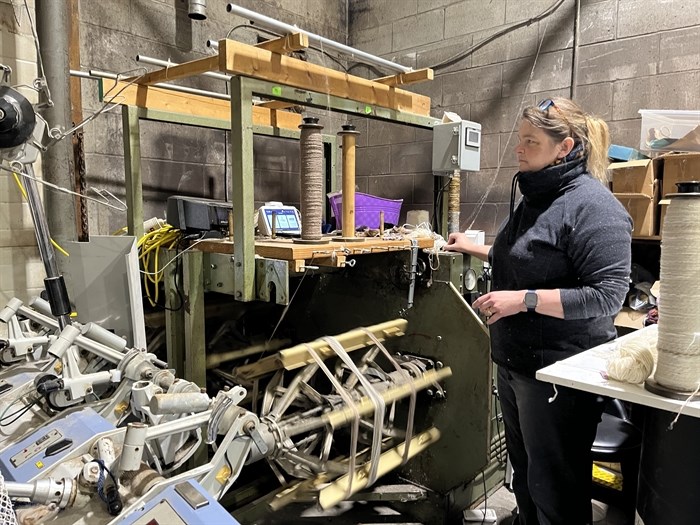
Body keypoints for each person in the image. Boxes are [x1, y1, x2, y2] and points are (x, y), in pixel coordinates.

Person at [445, 98, 632, 525]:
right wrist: (477, 247)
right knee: (527, 475)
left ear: (563, 147)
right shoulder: (537, 197)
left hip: (556, 373)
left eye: (530, 141)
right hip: (516, 364)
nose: (519, 149)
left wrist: (522, 299)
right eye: (520, 140)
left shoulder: (595, 208)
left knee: (556, 486)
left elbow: (607, 296)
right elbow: (528, 257)